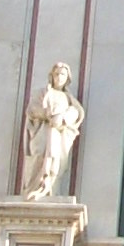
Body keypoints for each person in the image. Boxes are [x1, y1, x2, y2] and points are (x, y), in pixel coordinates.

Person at [20, 60, 84, 198]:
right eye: (57, 74)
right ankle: (33, 188)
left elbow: (77, 113)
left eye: (62, 75)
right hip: (42, 131)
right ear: (52, 76)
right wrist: (47, 115)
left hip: (58, 135)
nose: (59, 77)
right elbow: (32, 109)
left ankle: (51, 190)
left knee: (57, 161)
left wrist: (63, 118)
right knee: (39, 156)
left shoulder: (68, 98)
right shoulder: (43, 93)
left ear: (67, 79)